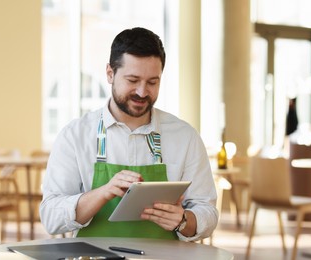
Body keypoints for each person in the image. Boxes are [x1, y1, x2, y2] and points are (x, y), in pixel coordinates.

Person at [40, 27, 219, 241]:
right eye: (133, 80)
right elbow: (51, 217)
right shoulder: (75, 136)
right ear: (110, 74)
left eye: (152, 82)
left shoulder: (185, 137)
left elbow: (207, 212)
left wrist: (183, 221)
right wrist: (103, 193)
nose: (142, 92)